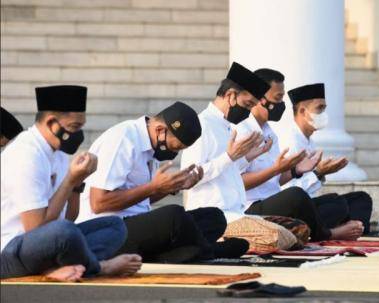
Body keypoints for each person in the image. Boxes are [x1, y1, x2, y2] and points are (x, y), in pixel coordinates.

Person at [181, 62, 337, 242]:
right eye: (247, 105)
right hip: (213, 215)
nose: (248, 112)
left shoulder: (226, 126)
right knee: (283, 237)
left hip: (235, 212)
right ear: (231, 95)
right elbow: (190, 177)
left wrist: (248, 157)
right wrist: (231, 156)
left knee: (298, 231)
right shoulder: (202, 125)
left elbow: (229, 171)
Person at [1, 85, 142, 281]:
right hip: (9, 252)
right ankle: (99, 267)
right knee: (63, 233)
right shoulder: (26, 154)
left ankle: (57, 267)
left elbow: (69, 217)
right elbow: (35, 228)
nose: (78, 134)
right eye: (75, 127)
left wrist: (78, 183)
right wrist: (70, 180)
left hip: (46, 243)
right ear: (52, 123)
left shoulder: (56, 151)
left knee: (114, 226)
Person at [77, 101, 247, 263]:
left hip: (135, 224)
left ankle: (177, 252)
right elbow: (99, 203)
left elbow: (141, 199)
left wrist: (172, 187)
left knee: (214, 217)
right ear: (160, 130)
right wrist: (153, 187)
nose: (174, 153)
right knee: (174, 216)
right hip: (108, 231)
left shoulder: (152, 146)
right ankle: (209, 251)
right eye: (175, 148)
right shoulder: (123, 139)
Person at [236, 69, 366, 240]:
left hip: (273, 203)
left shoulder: (270, 134)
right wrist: (277, 169)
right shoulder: (243, 131)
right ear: (259, 99)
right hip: (250, 208)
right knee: (297, 195)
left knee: (340, 201)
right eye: (277, 99)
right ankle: (329, 233)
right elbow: (238, 182)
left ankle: (325, 229)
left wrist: (295, 171)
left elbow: (275, 181)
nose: (282, 105)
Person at [279, 83, 373, 235]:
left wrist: (322, 172)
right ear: (303, 111)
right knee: (337, 204)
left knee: (361, 198)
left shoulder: (309, 141)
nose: (324, 114)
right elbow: (289, 192)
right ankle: (336, 231)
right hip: (294, 210)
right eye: (319, 108)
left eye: (324, 108)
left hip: (310, 205)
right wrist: (318, 173)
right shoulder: (290, 141)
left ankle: (355, 231)